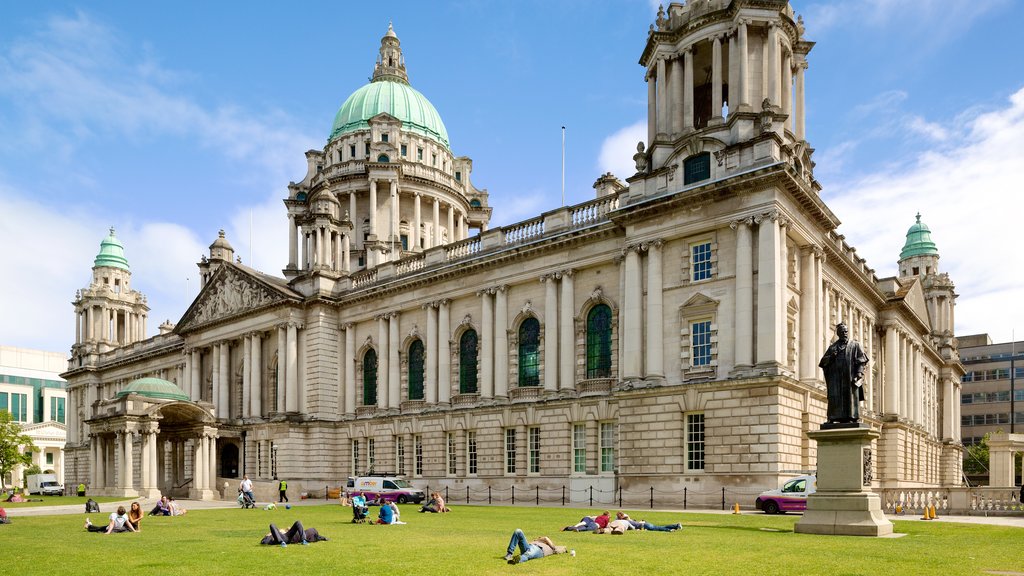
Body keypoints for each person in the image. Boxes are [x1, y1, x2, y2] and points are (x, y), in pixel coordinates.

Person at [818, 323, 869, 426]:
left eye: (846, 331)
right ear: (838, 333)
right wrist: (831, 356)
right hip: (836, 379)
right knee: (835, 397)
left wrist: (859, 372)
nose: (844, 333)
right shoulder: (833, 347)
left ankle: (852, 417)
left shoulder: (855, 345)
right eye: (842, 332)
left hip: (850, 377)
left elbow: (862, 360)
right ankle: (832, 417)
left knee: (850, 397)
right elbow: (823, 363)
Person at [259, 520, 328, 547]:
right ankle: (282, 543)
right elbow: (263, 542)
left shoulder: (281, 531)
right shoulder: (269, 537)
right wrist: (268, 535)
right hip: (280, 540)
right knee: (272, 524)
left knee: (298, 522)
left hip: (287, 536)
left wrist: (286, 529)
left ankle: (303, 540)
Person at [613, 511, 681, 532]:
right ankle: (676, 526)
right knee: (659, 527)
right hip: (645, 524)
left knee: (658, 528)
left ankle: (670, 530)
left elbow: (632, 528)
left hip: (644, 526)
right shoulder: (628, 519)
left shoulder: (625, 522)